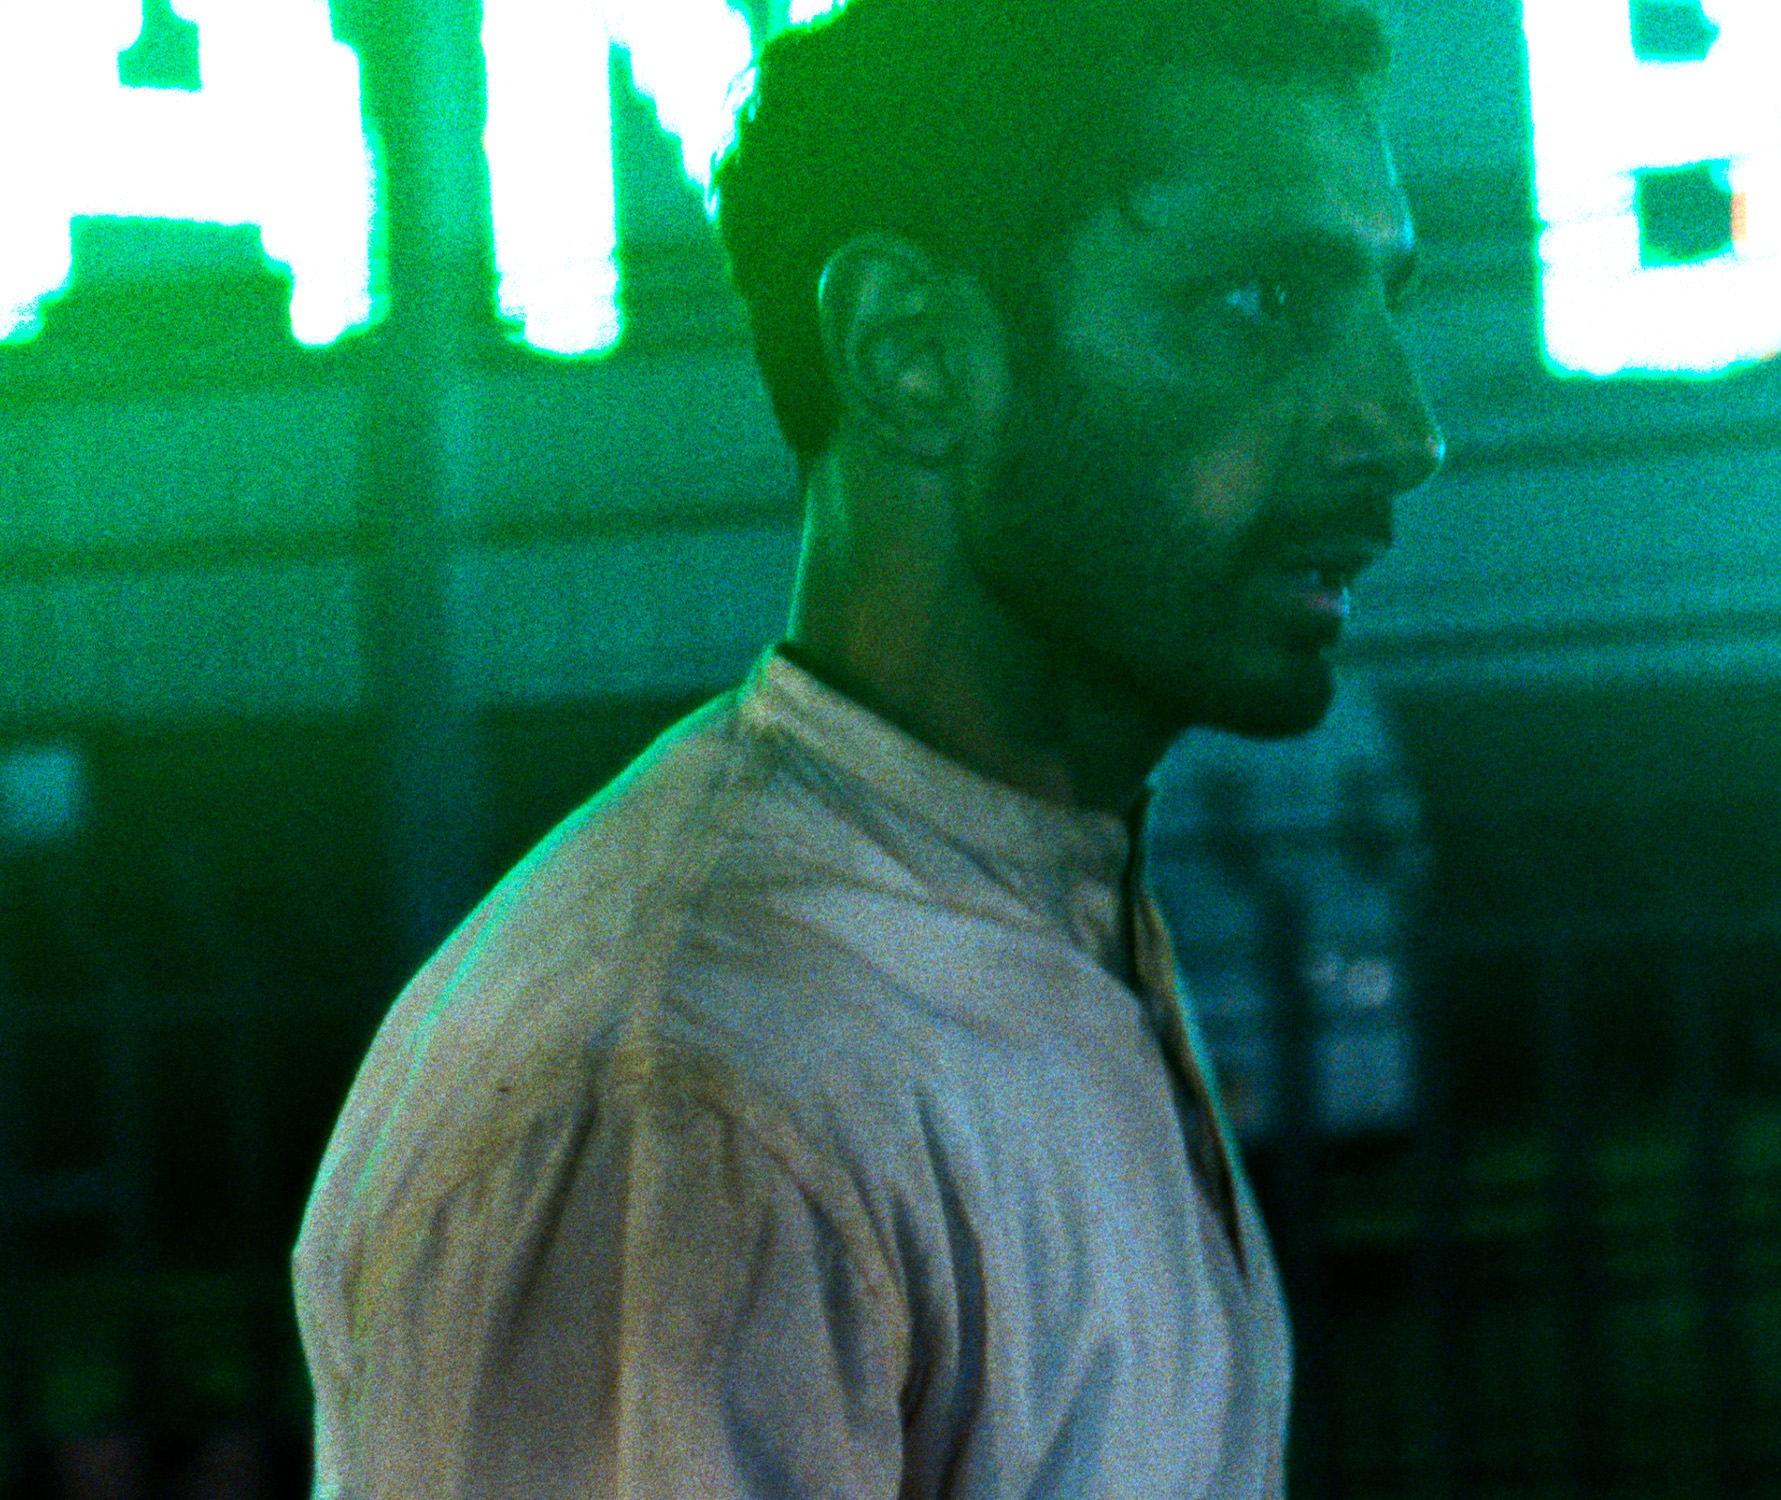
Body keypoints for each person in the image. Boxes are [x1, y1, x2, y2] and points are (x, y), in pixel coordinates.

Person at [291, 0, 1443, 1493]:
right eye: (1262, 304)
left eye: (1386, 306)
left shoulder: (1017, 921)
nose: (1403, 427)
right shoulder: (687, 1084)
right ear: (911, 356)